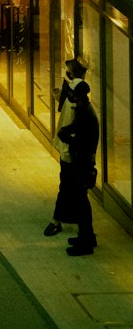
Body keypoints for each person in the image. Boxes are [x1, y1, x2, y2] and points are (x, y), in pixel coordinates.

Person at [45, 56, 101, 255]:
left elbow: (82, 141)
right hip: (78, 161)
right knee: (77, 198)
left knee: (78, 199)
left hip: (80, 163)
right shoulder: (84, 110)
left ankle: (85, 238)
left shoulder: (85, 114)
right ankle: (85, 236)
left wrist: (66, 140)